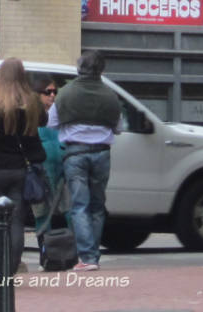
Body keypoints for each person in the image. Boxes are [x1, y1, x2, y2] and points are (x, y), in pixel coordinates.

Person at [0, 57, 47, 284]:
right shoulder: (32, 100)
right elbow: (43, 121)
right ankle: (7, 274)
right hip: (20, 169)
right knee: (16, 222)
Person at [48, 50, 122, 271]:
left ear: (79, 68)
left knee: (79, 206)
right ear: (102, 70)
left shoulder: (65, 93)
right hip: (102, 153)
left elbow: (51, 122)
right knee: (98, 206)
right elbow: (118, 128)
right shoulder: (110, 95)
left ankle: (87, 257)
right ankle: (93, 256)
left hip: (75, 154)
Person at [32, 76, 70, 256]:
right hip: (41, 171)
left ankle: (71, 252)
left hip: (62, 170)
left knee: (68, 210)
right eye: (48, 92)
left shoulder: (59, 114)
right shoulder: (32, 115)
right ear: (38, 93)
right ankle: (45, 254)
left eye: (55, 92)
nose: (52, 95)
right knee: (42, 214)